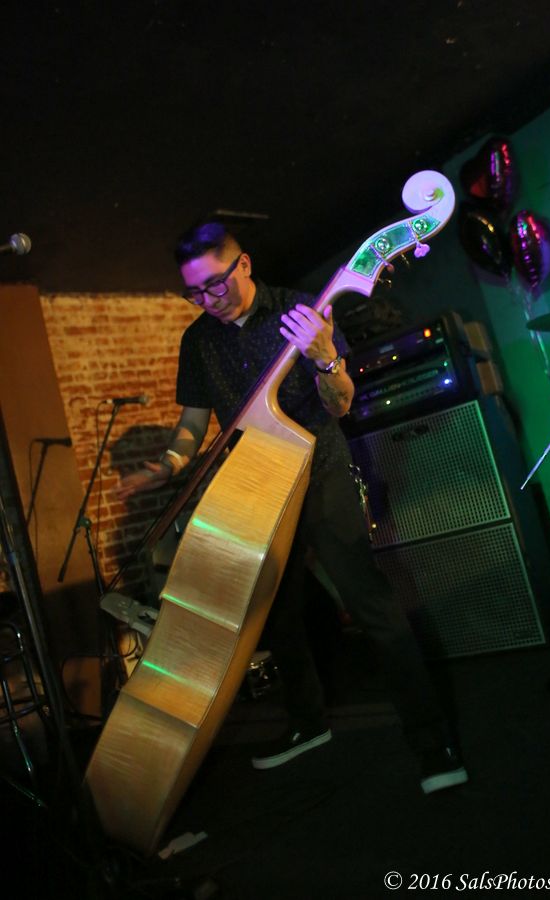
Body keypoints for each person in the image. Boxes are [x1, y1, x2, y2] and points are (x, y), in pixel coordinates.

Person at [117, 222, 468, 794]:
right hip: (258, 482)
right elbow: (192, 424)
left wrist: (326, 358)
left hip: (320, 471)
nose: (208, 300)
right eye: (195, 293)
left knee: (371, 604)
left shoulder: (303, 309)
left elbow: (341, 403)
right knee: (275, 616)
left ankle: (433, 741)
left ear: (244, 264)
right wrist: (171, 464)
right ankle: (308, 723)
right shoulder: (198, 340)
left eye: (215, 284)